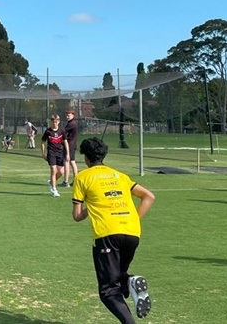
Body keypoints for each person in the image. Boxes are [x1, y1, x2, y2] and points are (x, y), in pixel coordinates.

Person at [72, 137, 156, 323]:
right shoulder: (120, 175)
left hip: (107, 234)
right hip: (132, 232)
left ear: (86, 158)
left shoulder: (82, 178)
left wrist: (91, 206)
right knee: (117, 278)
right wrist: (131, 218)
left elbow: (77, 216)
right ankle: (131, 282)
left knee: (108, 290)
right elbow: (149, 197)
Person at [41, 114, 69, 197]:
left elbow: (65, 142)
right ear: (51, 122)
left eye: (56, 122)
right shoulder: (48, 131)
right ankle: (54, 189)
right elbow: (42, 142)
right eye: (53, 122)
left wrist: (67, 154)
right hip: (51, 152)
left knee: (61, 172)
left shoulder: (62, 131)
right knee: (53, 170)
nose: (54, 123)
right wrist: (43, 153)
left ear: (59, 122)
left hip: (60, 153)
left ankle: (51, 182)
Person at [62, 108, 79, 187]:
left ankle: (66, 182)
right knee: (72, 161)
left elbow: (63, 132)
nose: (67, 117)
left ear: (73, 115)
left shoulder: (72, 124)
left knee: (67, 161)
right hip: (72, 144)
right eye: (66, 115)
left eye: (68, 115)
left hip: (69, 145)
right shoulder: (71, 123)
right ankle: (76, 181)